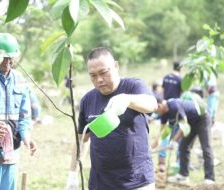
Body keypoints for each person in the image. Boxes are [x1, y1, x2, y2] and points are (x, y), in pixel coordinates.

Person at [66, 47, 158, 190]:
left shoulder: (134, 87)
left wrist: (128, 100)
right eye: (93, 76)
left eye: (103, 73)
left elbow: (152, 104)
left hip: (137, 181)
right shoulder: (88, 100)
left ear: (115, 66)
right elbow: (82, 139)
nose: (99, 80)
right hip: (101, 183)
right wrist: (73, 173)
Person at [0, 33, 37, 190]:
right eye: (3, 57)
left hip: (11, 157)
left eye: (11, 57)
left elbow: (24, 115)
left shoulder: (20, 79)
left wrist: (26, 136)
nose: (8, 61)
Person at [155, 97, 215, 185]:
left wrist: (174, 141)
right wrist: (151, 147)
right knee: (183, 147)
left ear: (159, 106)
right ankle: (183, 175)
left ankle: (210, 178)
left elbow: (184, 125)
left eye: (156, 110)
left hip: (202, 118)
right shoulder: (163, 114)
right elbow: (163, 132)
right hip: (191, 122)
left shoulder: (173, 105)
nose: (157, 113)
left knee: (206, 147)